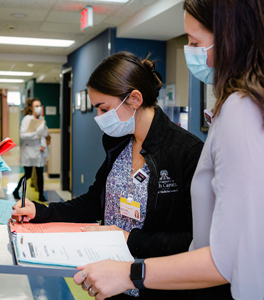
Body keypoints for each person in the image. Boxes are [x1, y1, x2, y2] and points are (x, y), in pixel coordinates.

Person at [72, 1, 264, 299]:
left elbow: (226, 258)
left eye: (195, 42)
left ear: (231, 38)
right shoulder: (239, 108)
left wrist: (128, 271)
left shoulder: (239, 112)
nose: (191, 50)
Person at [12, 51, 203, 299]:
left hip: (155, 287)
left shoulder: (186, 152)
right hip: (109, 284)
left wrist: (128, 239)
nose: (99, 118)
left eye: (104, 109)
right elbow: (94, 201)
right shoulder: (121, 144)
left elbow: (192, 241)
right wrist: (43, 211)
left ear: (134, 98)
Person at [13, 97, 48, 202]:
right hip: (28, 149)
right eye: (36, 106)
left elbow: (44, 135)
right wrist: (35, 134)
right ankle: (16, 191)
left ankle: (41, 195)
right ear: (31, 108)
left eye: (39, 106)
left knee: (39, 174)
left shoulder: (42, 120)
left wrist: (43, 145)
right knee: (27, 174)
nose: (38, 108)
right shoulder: (27, 119)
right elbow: (23, 135)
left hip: (39, 150)